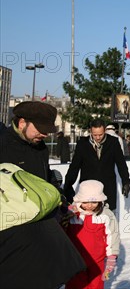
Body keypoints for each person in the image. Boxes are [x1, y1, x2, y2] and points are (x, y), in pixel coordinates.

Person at [0, 101, 86, 288]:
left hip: (43, 224)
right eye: (40, 129)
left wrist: (61, 200)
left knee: (61, 270)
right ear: (22, 123)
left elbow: (45, 180)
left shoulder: (40, 148)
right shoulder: (3, 145)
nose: (45, 134)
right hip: (13, 229)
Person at [65, 119, 130, 211]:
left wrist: (126, 181)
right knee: (89, 217)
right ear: (90, 131)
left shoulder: (113, 142)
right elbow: (74, 166)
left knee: (107, 217)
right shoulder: (82, 144)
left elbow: (121, 164)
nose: (98, 137)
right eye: (95, 134)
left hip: (107, 186)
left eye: (100, 134)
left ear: (105, 130)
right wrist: (68, 184)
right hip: (88, 187)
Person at [66, 180, 120, 289]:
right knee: (76, 285)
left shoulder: (106, 215)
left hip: (97, 261)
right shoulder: (71, 214)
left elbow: (113, 236)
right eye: (85, 202)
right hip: (76, 261)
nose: (90, 206)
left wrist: (111, 257)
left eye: (94, 202)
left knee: (96, 285)